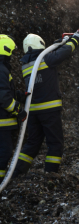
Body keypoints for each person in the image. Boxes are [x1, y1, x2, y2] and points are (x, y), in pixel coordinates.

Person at [13, 30, 79, 177]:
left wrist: (60, 42)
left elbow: (52, 53)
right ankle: (51, 172)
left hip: (33, 111)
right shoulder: (45, 59)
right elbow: (63, 53)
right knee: (55, 142)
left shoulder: (25, 65)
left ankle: (18, 171)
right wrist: (74, 40)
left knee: (33, 142)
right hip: (49, 110)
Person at [0, 35, 27, 183]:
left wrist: (19, 96)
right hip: (2, 122)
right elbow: (3, 98)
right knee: (4, 153)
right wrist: (18, 110)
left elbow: (5, 93)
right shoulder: (1, 70)